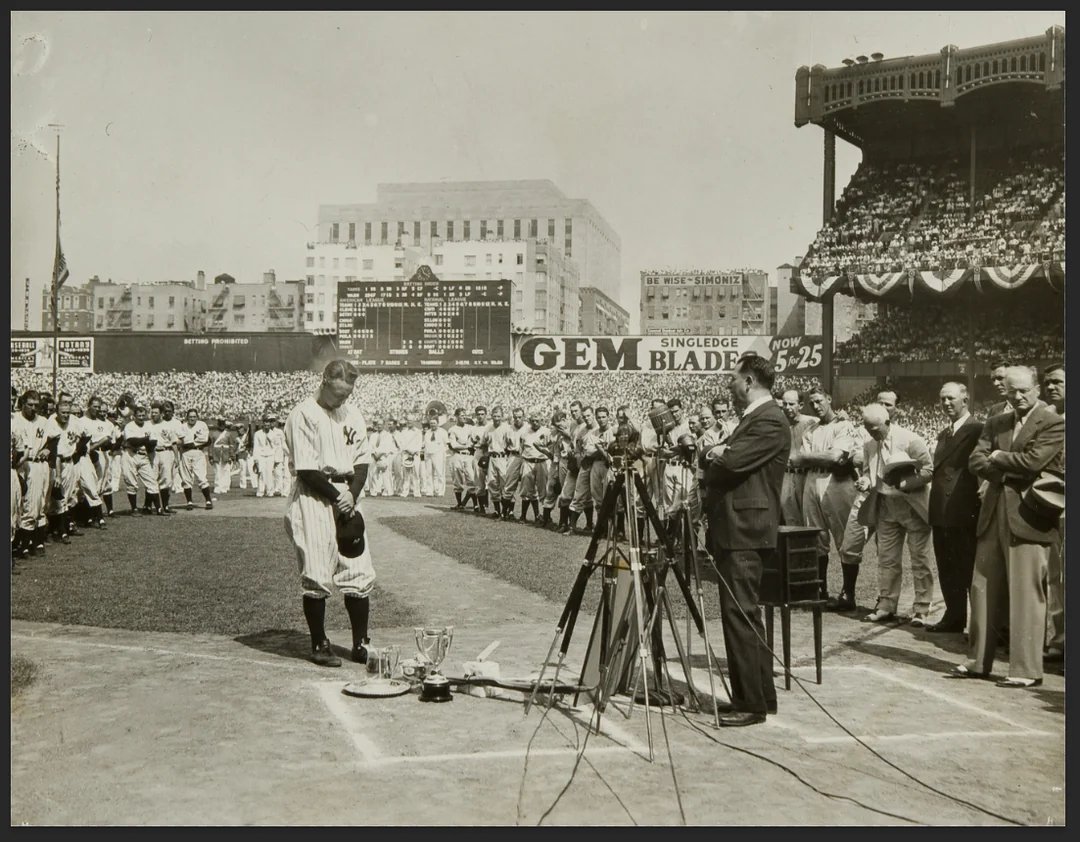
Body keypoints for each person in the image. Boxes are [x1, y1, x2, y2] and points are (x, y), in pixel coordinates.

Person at [951, 366, 1065, 687]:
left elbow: (1034, 462)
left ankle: (1026, 670)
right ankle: (977, 662)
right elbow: (976, 460)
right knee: (982, 586)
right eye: (1012, 391)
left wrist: (998, 457)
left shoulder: (1054, 422)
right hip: (993, 511)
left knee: (1027, 591)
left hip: (1030, 515)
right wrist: (1005, 464)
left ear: (1037, 388)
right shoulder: (996, 420)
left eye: (1023, 390)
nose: (1017, 396)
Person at [700, 353, 788, 727]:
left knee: (740, 615)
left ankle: (750, 703)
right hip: (738, 528)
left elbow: (732, 463)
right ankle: (760, 697)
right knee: (745, 615)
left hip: (744, 531)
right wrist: (716, 453)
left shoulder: (768, 420)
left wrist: (720, 453)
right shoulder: (755, 419)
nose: (729, 385)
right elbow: (720, 459)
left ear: (749, 380)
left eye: (733, 379)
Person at [283, 359, 374, 668]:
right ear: (323, 382)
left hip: (348, 494)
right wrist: (340, 497)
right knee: (318, 571)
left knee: (358, 569)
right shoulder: (303, 414)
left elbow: (362, 460)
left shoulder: (353, 413)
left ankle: (361, 644)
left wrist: (352, 495)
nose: (342, 400)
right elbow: (307, 469)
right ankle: (320, 643)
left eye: (347, 394)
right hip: (315, 496)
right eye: (338, 393)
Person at [858, 403, 935, 625]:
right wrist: (864, 481)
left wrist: (906, 483)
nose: (872, 433)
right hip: (886, 507)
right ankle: (886, 605)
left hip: (913, 506)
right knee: (887, 559)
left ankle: (922, 608)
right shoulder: (869, 445)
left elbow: (929, 470)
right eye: (867, 429)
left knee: (919, 559)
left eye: (875, 428)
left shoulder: (911, 439)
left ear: (888, 422)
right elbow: (868, 474)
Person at [927, 382, 982, 634]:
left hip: (963, 510)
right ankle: (955, 616)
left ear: (965, 399)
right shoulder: (944, 434)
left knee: (968, 567)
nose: (946, 403)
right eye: (942, 399)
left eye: (951, 399)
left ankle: (980, 625)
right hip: (942, 510)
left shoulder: (977, 429)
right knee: (947, 566)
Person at [798, 388, 860, 604]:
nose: (815, 406)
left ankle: (848, 592)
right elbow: (802, 458)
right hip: (812, 480)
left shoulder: (844, 425)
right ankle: (820, 589)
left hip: (837, 482)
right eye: (812, 403)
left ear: (829, 399)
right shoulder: (811, 429)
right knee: (815, 536)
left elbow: (835, 457)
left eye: (819, 401)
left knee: (845, 538)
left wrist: (811, 457)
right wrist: (816, 458)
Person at [1042, 364, 1065, 663]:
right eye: (1047, 382)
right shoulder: (1045, 418)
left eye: (1057, 381)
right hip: (1051, 502)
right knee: (1055, 575)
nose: (1051, 387)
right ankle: (1060, 638)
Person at [12, 390, 50, 556]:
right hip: (21, 464)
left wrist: (48, 449)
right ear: (22, 404)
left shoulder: (42, 420)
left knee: (38, 503)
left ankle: (35, 542)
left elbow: (51, 440)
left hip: (38, 464)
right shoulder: (15, 419)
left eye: (36, 405)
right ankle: (22, 543)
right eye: (30, 405)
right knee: (23, 504)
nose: (33, 408)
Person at [780, 390, 818, 527]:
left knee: (810, 517)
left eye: (791, 404)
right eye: (784, 404)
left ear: (800, 405)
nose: (787, 407)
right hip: (786, 475)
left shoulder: (812, 422)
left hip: (806, 475)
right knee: (790, 518)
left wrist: (840, 417)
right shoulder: (779, 423)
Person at [123, 404, 163, 516]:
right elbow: (132, 441)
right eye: (139, 415)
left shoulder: (148, 426)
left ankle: (159, 509)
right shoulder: (129, 426)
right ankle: (134, 509)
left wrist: (142, 441)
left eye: (143, 415)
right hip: (130, 455)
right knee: (131, 483)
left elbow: (153, 442)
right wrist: (146, 440)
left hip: (143, 455)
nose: (141, 417)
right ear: (134, 416)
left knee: (152, 482)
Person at [517, 411, 550, 522]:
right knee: (526, 490)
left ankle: (546, 517)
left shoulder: (546, 432)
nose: (535, 423)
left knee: (543, 490)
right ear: (529, 421)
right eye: (533, 421)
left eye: (537, 420)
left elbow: (550, 447)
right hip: (528, 461)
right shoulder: (525, 432)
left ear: (542, 421)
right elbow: (521, 448)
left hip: (542, 462)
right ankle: (523, 516)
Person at [484, 406, 515, 519]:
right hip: (492, 457)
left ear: (502, 417)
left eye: (498, 416)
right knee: (492, 483)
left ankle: (508, 512)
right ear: (491, 416)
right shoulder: (488, 428)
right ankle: (497, 511)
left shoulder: (507, 428)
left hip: (503, 457)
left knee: (505, 484)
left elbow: (511, 445)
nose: (496, 418)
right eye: (494, 416)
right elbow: (484, 442)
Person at [447, 409, 475, 508]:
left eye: (465, 415)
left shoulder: (470, 428)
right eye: (461, 415)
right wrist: (467, 445)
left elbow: (473, 442)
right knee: (457, 480)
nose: (464, 417)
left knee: (472, 479)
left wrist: (466, 445)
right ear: (456, 417)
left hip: (468, 456)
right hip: (457, 455)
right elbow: (454, 445)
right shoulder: (452, 429)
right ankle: (459, 504)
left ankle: (476, 505)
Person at [420, 415, 449, 498]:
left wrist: (443, 452)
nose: (433, 425)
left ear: (438, 423)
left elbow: (447, 444)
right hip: (428, 454)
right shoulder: (428, 432)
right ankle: (429, 491)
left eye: (434, 423)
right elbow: (425, 444)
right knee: (428, 473)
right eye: (431, 423)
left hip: (438, 454)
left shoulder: (443, 432)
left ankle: (440, 491)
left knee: (440, 473)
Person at [398, 416, 423, 499]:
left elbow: (419, 443)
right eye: (408, 421)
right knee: (406, 474)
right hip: (406, 454)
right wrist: (408, 451)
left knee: (416, 473)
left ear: (414, 421)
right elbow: (401, 443)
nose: (409, 422)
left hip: (415, 454)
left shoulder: (418, 432)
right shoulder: (403, 432)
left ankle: (417, 492)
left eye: (411, 421)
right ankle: (405, 491)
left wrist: (414, 451)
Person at [253, 416, 276, 498]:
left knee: (269, 473)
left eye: (268, 423)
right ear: (263, 423)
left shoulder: (273, 434)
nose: (267, 425)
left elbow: (275, 446)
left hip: (270, 455)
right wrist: (255, 459)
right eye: (265, 423)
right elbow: (256, 447)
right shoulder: (257, 434)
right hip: (261, 456)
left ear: (270, 424)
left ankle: (270, 491)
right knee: (261, 473)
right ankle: (260, 491)